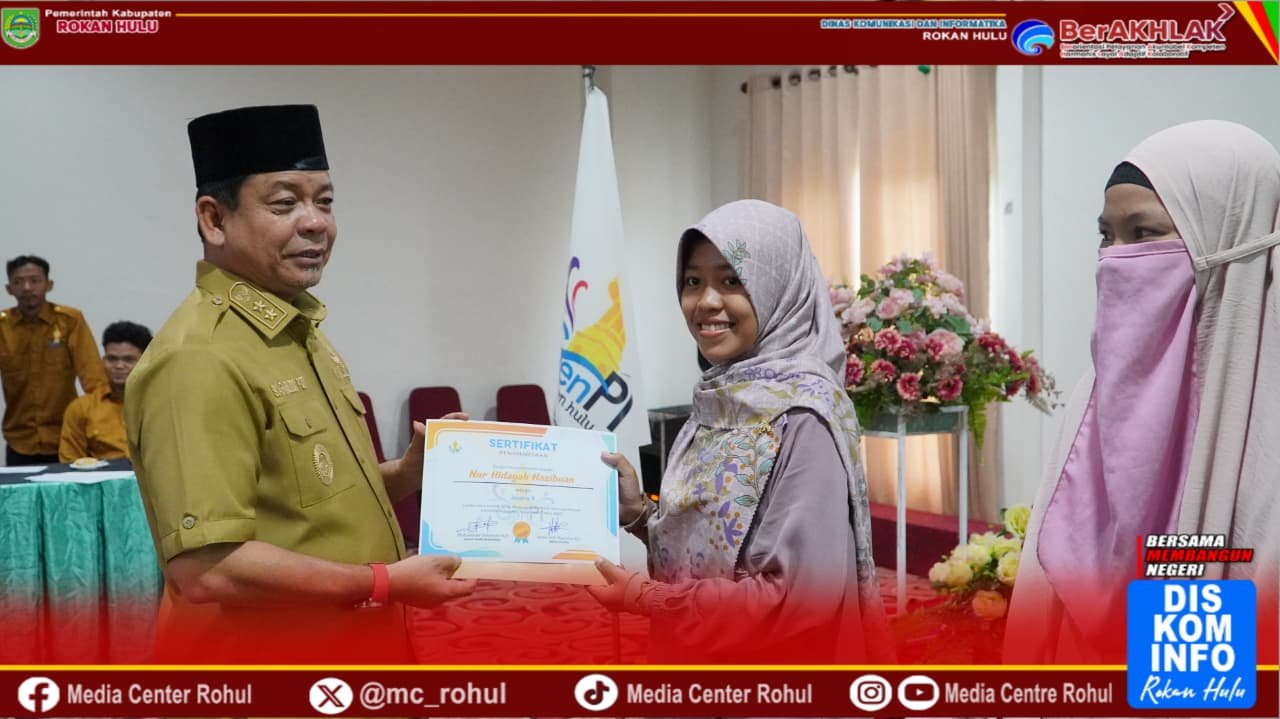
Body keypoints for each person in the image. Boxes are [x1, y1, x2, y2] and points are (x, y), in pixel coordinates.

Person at [126, 104, 474, 664]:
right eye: (284, 203)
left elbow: (309, 508)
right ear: (214, 219)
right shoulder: (198, 358)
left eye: (325, 201)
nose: (316, 223)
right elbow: (208, 569)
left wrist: (408, 474)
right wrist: (384, 582)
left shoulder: (297, 332)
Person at [1007, 120, 1279, 665]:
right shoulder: (1095, 394)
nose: (1115, 258)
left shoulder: (1264, 411)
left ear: (1224, 235)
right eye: (1106, 235)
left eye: (1144, 233)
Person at [587, 199, 889, 664]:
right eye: (693, 281)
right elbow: (716, 545)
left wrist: (650, 599)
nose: (706, 302)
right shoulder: (721, 397)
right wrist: (640, 515)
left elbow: (799, 598)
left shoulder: (803, 418)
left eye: (732, 281)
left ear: (780, 289)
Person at [1, 255, 109, 465]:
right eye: (18, 282)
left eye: (34, 280)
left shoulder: (69, 321)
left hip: (66, 436)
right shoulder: (3, 327)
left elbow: (93, 378)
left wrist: (101, 428)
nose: (27, 287)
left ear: (49, 285)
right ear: (8, 289)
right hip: (19, 439)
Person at [58, 320, 151, 463]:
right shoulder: (81, 408)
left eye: (128, 360)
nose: (119, 366)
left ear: (145, 362)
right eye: (112, 359)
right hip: (100, 476)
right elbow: (70, 463)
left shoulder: (162, 405)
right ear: (103, 360)